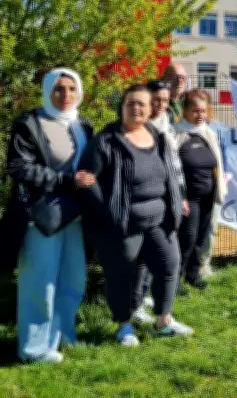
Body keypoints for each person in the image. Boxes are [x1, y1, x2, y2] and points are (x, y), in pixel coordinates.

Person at [80, 84, 192, 346]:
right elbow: (88, 181)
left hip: (160, 219)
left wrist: (176, 202)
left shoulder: (159, 137)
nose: (136, 108)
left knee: (169, 265)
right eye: (131, 103)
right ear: (122, 106)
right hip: (123, 223)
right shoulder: (105, 142)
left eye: (142, 103)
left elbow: (171, 176)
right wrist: (109, 212)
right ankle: (124, 326)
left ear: (151, 108)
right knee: (122, 273)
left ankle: (163, 321)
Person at [2, 69, 95, 363]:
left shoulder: (83, 124)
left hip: (76, 215)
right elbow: (18, 167)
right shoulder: (29, 124)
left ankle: (63, 335)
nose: (65, 95)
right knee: (40, 284)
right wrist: (67, 181)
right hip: (41, 216)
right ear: (46, 91)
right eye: (57, 89)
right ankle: (34, 349)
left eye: (71, 88)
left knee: (73, 279)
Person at [131, 80, 187, 325]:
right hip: (146, 202)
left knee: (162, 254)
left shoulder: (166, 126)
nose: (161, 105)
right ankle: (136, 302)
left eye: (165, 101)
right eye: (156, 101)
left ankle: (150, 300)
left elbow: (175, 165)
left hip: (167, 199)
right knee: (141, 256)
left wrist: (181, 195)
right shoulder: (137, 128)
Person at [174, 90, 227, 289]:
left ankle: (193, 275)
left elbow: (217, 163)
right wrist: (180, 196)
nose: (200, 115)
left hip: (208, 196)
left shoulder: (209, 133)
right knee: (186, 239)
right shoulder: (176, 133)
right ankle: (174, 280)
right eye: (195, 111)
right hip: (188, 198)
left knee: (200, 238)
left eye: (203, 111)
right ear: (185, 111)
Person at [194, 91, 231, 280]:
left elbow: (226, 157)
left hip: (213, 186)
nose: (200, 112)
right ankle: (187, 266)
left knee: (210, 227)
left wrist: (226, 177)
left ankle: (204, 263)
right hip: (191, 188)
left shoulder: (220, 129)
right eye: (195, 107)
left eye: (204, 107)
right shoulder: (183, 129)